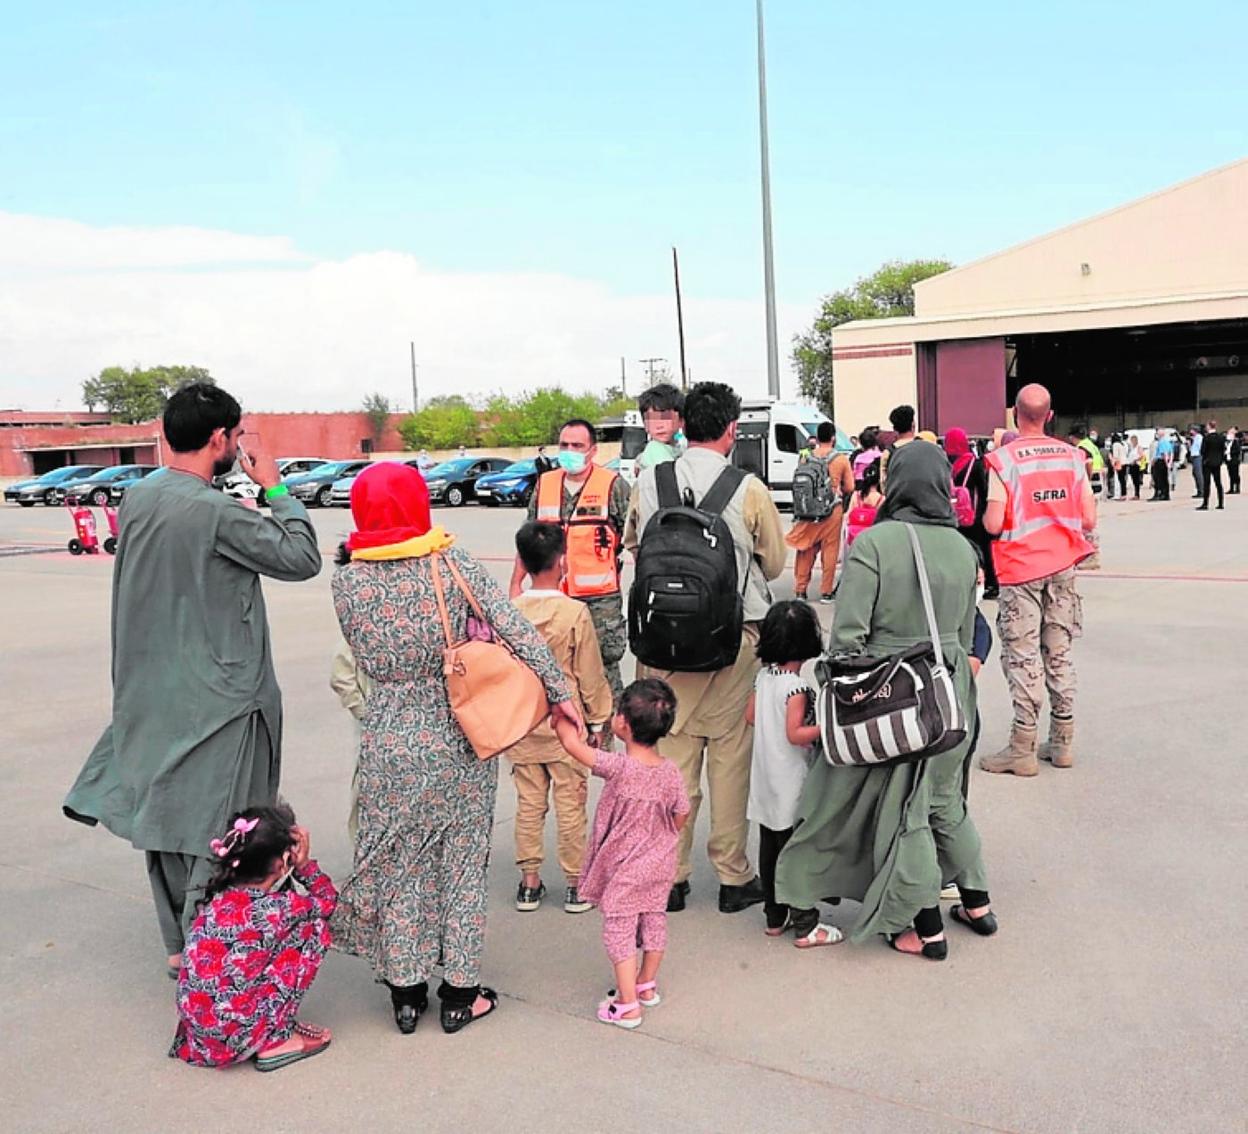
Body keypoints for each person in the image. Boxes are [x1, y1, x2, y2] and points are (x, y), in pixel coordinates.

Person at [63, 382, 322, 980]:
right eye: (234, 437)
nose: (236, 446)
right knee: (226, 831)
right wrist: (277, 488)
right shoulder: (213, 510)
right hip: (220, 700)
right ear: (218, 439)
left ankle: (181, 950)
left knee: (165, 822)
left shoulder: (140, 497)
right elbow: (300, 557)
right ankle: (220, 959)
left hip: (150, 691)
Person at [331, 462, 579, 1035]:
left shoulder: (346, 580)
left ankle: (406, 993)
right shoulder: (451, 563)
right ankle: (461, 995)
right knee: (462, 864)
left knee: (399, 865)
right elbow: (516, 631)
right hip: (458, 734)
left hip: (388, 736)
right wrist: (559, 693)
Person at [776, 441, 995, 960]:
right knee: (943, 802)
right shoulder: (963, 548)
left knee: (896, 812)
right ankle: (979, 903)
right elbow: (966, 637)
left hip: (891, 696)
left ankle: (923, 929)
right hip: (949, 696)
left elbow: (848, 637)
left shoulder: (875, 544)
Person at [625, 382, 787, 914]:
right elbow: (776, 562)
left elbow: (633, 544)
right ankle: (733, 876)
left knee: (672, 759)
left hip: (662, 645)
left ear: (682, 424)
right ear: (732, 430)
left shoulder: (651, 480)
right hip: (732, 643)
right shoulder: (748, 487)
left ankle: (670, 876)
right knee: (729, 759)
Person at [553, 679, 690, 1029]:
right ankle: (645, 984)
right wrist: (665, 834)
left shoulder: (620, 767)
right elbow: (682, 813)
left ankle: (627, 1004)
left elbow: (572, 746)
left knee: (619, 927)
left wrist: (560, 716)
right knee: (654, 918)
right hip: (660, 864)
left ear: (623, 724)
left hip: (626, 870)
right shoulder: (670, 772)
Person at [979, 384, 1096, 776]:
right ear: (1050, 415)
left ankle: (1022, 747)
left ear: (1015, 414)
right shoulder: (1073, 456)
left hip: (1020, 570)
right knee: (1058, 652)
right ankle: (1062, 742)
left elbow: (994, 523)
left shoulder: (1003, 460)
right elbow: (1089, 519)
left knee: (1023, 655)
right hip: (1062, 568)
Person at [170, 804, 336, 1071]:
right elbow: (329, 902)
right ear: (283, 862)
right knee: (314, 927)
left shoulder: (218, 897)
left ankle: (264, 1027)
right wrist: (304, 866)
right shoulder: (280, 908)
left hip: (200, 1035)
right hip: (234, 1037)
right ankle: (275, 1041)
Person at [506, 521, 614, 915]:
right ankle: (575, 883)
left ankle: (529, 883)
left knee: (529, 805)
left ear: (523, 562)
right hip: (566, 728)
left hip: (520, 726)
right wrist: (599, 720)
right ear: (562, 561)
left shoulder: (509, 612)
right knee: (571, 806)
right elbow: (589, 673)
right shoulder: (574, 612)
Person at [513, 419, 630, 701]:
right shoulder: (545, 484)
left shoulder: (614, 486)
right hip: (551, 600)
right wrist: (516, 583)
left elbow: (635, 538)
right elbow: (527, 539)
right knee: (554, 674)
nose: (569, 451)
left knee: (602, 679)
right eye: (564, 445)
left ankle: (602, 741)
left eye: (577, 445)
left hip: (599, 605)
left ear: (593, 450)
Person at [746, 601, 842, 948]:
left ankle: (775, 916)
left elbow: (751, 717)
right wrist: (824, 727)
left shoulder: (764, 677)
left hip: (764, 780)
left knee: (769, 849)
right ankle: (805, 923)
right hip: (790, 782)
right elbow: (794, 734)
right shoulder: (795, 688)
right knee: (796, 852)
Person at [787, 421, 854, 603]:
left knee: (805, 549)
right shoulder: (840, 459)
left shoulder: (806, 457)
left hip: (808, 510)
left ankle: (800, 591)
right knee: (830, 550)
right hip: (832, 510)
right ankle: (826, 591)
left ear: (817, 438)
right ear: (833, 438)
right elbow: (850, 486)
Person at [946, 426, 998, 599]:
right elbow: (983, 490)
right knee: (982, 549)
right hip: (973, 514)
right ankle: (990, 582)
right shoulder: (974, 465)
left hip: (952, 515)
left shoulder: (945, 465)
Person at [329, 639, 372, 839]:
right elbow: (341, 674)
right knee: (368, 789)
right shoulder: (366, 617)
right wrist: (363, 711)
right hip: (376, 721)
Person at [636, 382, 686, 469]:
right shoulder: (655, 449)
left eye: (665, 418)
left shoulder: (679, 446)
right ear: (645, 425)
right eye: (652, 419)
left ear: (681, 421)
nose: (659, 426)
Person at [845, 458, 884, 548]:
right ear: (878, 481)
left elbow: (849, 516)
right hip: (872, 537)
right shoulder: (881, 499)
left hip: (854, 537)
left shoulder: (856, 495)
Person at [878, 404, 916, 491]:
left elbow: (883, 483)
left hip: (898, 500)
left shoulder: (888, 452)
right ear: (913, 425)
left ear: (895, 428)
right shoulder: (926, 447)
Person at [1198, 420, 1225, 510]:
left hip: (1207, 463)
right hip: (1217, 462)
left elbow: (1202, 451)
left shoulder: (1206, 438)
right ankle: (1221, 503)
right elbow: (1223, 449)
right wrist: (1220, 459)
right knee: (1218, 483)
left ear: (1209, 427)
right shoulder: (1220, 437)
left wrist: (1205, 458)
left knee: (1207, 483)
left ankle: (1205, 503)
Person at [1150, 430, 1174, 501]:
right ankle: (1165, 494)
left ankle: (1161, 494)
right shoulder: (1168, 442)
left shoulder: (1161, 442)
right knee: (1164, 479)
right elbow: (1171, 453)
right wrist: (1169, 463)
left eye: (1157, 434)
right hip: (1164, 462)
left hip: (1160, 462)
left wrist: (1154, 461)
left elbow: (1164, 453)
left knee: (1159, 479)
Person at [1123, 434, 1144, 500]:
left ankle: (1137, 494)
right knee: (1133, 480)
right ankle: (1135, 494)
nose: (1132, 441)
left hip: (1136, 465)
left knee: (1136, 480)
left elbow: (1141, 455)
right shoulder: (1131, 448)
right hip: (1131, 465)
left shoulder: (1139, 447)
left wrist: (1135, 460)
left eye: (1133, 440)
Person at [1188, 427, 1205, 499]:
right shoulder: (1194, 438)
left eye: (1191, 430)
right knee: (1195, 473)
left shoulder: (1199, 437)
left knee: (1198, 474)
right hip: (1194, 457)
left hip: (1198, 456)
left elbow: (1200, 447)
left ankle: (1202, 491)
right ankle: (1199, 490)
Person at [1229, 428, 1242, 494]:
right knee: (1230, 474)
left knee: (1235, 474)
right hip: (1229, 460)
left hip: (1235, 460)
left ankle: (1237, 488)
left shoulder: (1236, 442)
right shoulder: (1229, 442)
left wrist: (1229, 452)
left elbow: (1237, 451)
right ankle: (1231, 488)